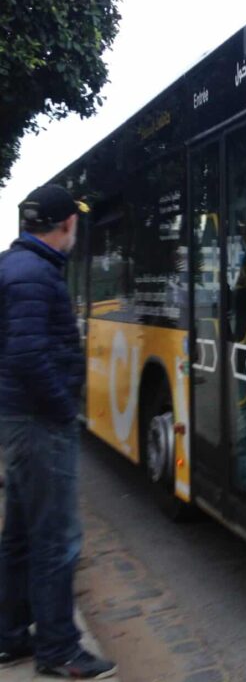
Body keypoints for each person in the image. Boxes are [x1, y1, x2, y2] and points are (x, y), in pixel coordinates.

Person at [0, 185, 117, 678]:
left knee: (22, 533)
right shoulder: (35, 276)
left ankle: (9, 635)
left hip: (19, 418)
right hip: (38, 421)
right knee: (57, 538)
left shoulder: (15, 266)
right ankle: (58, 649)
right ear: (67, 224)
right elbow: (28, 356)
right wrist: (62, 406)